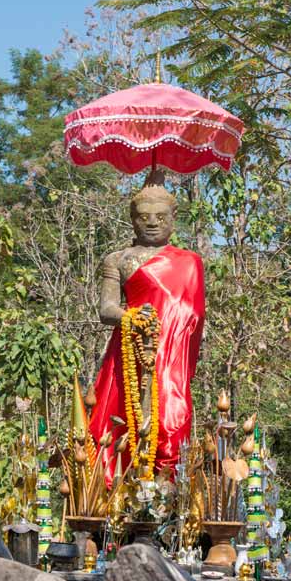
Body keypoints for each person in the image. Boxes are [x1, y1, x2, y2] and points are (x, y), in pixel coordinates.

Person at [89, 184, 205, 484]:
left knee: (171, 421)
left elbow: (193, 316)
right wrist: (132, 318)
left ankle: (167, 497)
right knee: (119, 426)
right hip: (129, 352)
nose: (152, 222)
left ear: (173, 217)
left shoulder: (189, 261)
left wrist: (168, 336)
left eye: (160, 216)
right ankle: (117, 500)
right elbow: (106, 310)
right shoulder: (119, 259)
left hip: (169, 358)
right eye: (144, 216)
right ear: (132, 218)